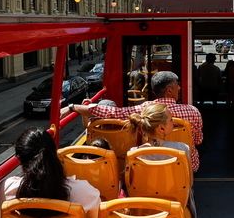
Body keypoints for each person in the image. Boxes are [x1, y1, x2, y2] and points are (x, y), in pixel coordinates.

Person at [66, 71, 203, 172]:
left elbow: (112, 112)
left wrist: (74, 107)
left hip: (147, 165)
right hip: (186, 166)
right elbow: (198, 140)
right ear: (169, 90)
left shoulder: (143, 109)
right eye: (177, 85)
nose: (179, 88)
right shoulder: (192, 111)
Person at [127, 102, 197, 218]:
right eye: (170, 120)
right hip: (174, 205)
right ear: (161, 128)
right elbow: (189, 183)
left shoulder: (133, 154)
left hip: (145, 206)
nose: (173, 122)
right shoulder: (182, 149)